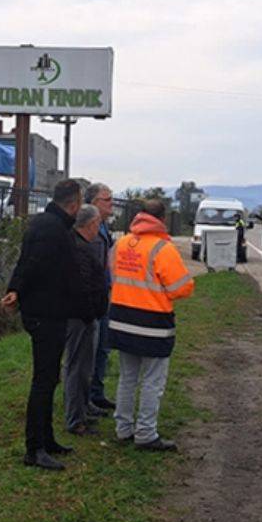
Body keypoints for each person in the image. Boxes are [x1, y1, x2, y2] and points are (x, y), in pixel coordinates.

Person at [2, 179, 83, 471]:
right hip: (45, 314)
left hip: (47, 311)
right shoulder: (52, 229)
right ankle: (34, 449)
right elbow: (32, 264)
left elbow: (24, 262)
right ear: (74, 203)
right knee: (43, 381)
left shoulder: (47, 224)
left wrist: (15, 289)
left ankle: (47, 440)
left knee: (49, 380)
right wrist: (17, 290)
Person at [108, 199, 195, 451]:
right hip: (152, 324)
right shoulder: (163, 248)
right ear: (162, 219)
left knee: (127, 378)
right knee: (152, 381)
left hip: (121, 318)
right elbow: (181, 288)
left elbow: (112, 275)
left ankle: (123, 428)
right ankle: (145, 433)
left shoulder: (121, 244)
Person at [63, 204, 110, 436]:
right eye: (98, 224)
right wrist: (91, 312)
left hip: (85, 316)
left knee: (82, 367)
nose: (98, 228)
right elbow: (82, 287)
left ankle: (81, 411)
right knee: (78, 369)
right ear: (91, 224)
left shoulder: (78, 244)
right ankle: (75, 420)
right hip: (80, 318)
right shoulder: (80, 249)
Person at [84, 183, 117, 415]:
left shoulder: (104, 227)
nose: (111, 203)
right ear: (94, 203)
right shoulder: (90, 229)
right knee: (90, 350)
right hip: (93, 298)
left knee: (103, 347)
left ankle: (96, 393)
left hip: (105, 294)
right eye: (107, 199)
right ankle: (85, 398)